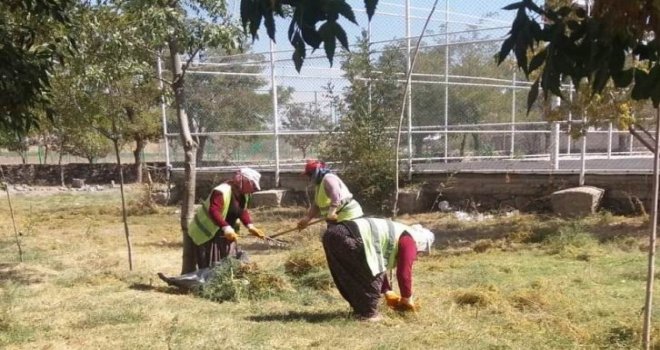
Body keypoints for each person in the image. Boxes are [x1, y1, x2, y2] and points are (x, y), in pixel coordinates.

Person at [321, 217, 435, 321]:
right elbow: (404, 272)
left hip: (332, 234)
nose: (418, 255)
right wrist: (407, 298)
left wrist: (387, 291)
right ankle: (368, 315)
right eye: (421, 252)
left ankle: (360, 312)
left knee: (348, 275)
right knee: (370, 280)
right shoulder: (410, 241)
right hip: (349, 236)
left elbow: (376, 265)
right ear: (423, 243)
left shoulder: (400, 232)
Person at [188, 167, 266, 269]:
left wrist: (250, 226)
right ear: (242, 181)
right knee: (212, 266)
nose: (254, 189)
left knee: (229, 263)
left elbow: (241, 210)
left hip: (227, 233)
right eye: (252, 184)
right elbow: (214, 211)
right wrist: (226, 228)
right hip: (209, 233)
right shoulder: (221, 191)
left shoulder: (244, 195)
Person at [297, 159, 363, 230]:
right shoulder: (319, 185)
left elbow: (336, 195)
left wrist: (332, 211)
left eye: (309, 174)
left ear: (314, 172)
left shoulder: (328, 178)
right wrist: (307, 219)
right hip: (335, 217)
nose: (308, 177)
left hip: (348, 215)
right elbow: (316, 204)